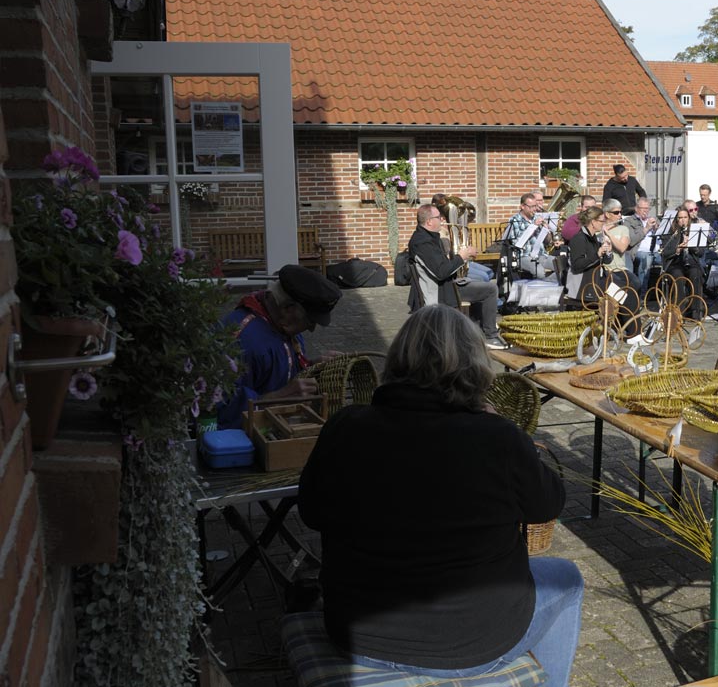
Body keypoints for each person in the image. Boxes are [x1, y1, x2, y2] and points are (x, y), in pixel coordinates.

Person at [298, 305, 583, 687]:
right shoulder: (496, 437)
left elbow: (311, 513)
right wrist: (507, 433)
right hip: (470, 642)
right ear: (473, 367)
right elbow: (549, 505)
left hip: (357, 634)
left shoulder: (344, 427)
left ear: (398, 360)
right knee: (567, 577)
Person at [216, 264, 342, 430]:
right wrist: (277, 399)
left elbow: (282, 371)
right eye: (310, 320)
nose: (311, 328)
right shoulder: (243, 340)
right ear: (288, 309)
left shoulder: (281, 325)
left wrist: (311, 367)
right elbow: (217, 409)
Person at [409, 203, 506, 349]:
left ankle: (476, 330)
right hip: (439, 292)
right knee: (490, 289)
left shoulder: (428, 238)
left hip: (446, 286)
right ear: (429, 221)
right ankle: (489, 336)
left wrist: (459, 257)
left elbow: (441, 266)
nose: (442, 221)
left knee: (480, 282)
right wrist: (461, 256)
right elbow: (441, 272)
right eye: (438, 218)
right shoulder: (423, 243)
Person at [430, 193, 493, 282]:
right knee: (484, 276)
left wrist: (467, 249)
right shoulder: (439, 232)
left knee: (490, 272)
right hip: (455, 264)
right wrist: (465, 253)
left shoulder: (450, 227)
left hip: (462, 260)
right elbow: (448, 257)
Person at [661, 207, 706, 320]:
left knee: (695, 274)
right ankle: (679, 311)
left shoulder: (695, 231)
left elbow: (700, 252)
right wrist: (677, 249)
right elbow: (665, 252)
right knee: (678, 277)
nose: (683, 220)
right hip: (675, 264)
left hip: (691, 262)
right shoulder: (670, 232)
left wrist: (690, 245)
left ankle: (696, 311)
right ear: (676, 220)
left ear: (689, 218)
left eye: (685, 217)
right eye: (680, 218)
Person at [503, 193, 555, 278]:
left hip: (540, 254)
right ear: (522, 206)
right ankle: (541, 289)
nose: (534, 209)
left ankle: (551, 287)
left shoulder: (537, 217)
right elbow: (517, 243)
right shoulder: (515, 220)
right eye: (531, 207)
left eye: (535, 206)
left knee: (560, 264)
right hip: (524, 256)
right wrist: (533, 226)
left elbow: (547, 242)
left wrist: (547, 231)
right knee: (539, 271)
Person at [602, 199, 641, 291]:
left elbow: (622, 248)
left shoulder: (623, 229)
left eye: (620, 212)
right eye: (616, 212)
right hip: (604, 269)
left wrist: (609, 234)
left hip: (619, 269)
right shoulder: (598, 230)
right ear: (607, 214)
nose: (620, 215)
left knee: (636, 283)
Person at [623, 196, 659, 283]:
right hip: (639, 251)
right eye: (643, 208)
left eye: (648, 208)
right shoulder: (629, 221)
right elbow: (631, 241)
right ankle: (642, 293)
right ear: (636, 209)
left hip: (656, 251)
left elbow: (662, 236)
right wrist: (646, 229)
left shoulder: (653, 219)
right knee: (646, 258)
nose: (646, 211)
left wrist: (656, 228)